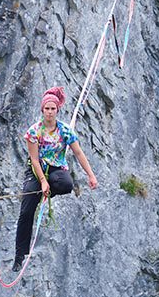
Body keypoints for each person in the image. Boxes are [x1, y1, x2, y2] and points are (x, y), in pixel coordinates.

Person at [12, 86, 99, 269]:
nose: (50, 112)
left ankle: (47, 191)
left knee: (67, 185)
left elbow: (79, 153)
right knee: (26, 210)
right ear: (42, 110)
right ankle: (20, 256)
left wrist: (91, 175)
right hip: (37, 170)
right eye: (47, 109)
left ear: (57, 110)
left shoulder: (65, 131)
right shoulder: (34, 131)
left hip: (56, 169)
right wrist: (42, 182)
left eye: (53, 109)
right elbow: (34, 159)